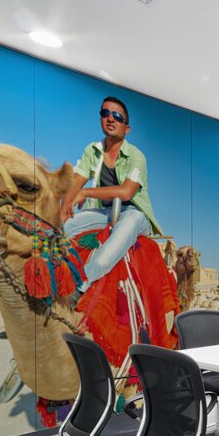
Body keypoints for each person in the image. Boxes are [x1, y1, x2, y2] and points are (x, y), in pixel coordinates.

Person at [60, 97, 163, 294]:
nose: (110, 119)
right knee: (62, 229)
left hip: (134, 213)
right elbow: (74, 183)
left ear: (127, 128)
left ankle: (81, 286)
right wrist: (65, 206)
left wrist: (85, 192)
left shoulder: (136, 156)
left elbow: (126, 192)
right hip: (103, 211)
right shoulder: (92, 150)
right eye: (105, 113)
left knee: (124, 231)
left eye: (117, 116)